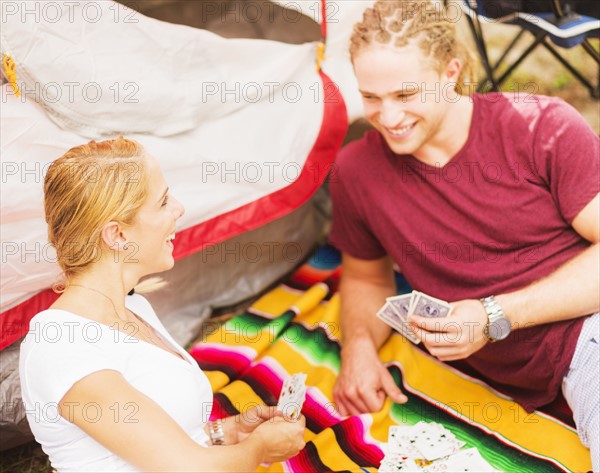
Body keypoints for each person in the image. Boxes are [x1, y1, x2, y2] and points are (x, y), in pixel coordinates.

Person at [328, 0, 599, 470]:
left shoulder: (542, 128)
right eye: (371, 97)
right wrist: (358, 347)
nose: (388, 117)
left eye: (405, 94)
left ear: (450, 72)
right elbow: (367, 277)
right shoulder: (357, 170)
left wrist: (495, 314)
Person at [19, 137, 306, 472]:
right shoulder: (62, 348)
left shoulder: (133, 309)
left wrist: (228, 432)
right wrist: (259, 448)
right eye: (163, 202)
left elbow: (156, 443)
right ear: (118, 235)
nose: (179, 208)